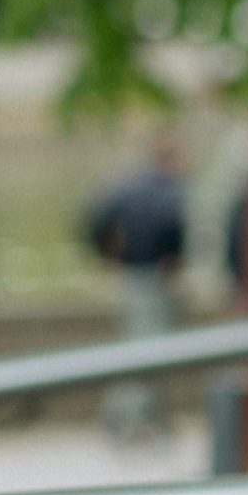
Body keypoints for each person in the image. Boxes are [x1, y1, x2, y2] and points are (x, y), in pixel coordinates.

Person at [82, 134, 188, 439]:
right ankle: (130, 421)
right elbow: (173, 228)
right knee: (151, 350)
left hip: (130, 275)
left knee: (137, 346)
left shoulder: (127, 187)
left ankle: (139, 419)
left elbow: (95, 219)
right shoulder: (169, 190)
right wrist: (172, 260)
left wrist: (107, 256)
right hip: (154, 277)